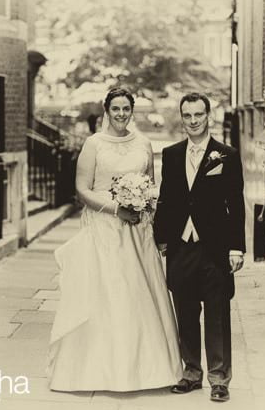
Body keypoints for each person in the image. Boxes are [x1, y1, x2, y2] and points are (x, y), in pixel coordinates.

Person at [47, 87, 182, 392]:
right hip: (105, 228)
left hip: (138, 229)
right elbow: (82, 189)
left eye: (126, 109)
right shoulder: (94, 144)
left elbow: (151, 184)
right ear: (106, 110)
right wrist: (115, 208)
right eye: (116, 108)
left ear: (131, 111)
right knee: (109, 290)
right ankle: (100, 370)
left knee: (139, 290)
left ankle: (149, 370)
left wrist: (144, 203)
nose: (121, 114)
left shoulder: (144, 143)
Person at [153, 92, 246, 402]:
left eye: (198, 115)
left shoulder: (227, 155)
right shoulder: (170, 154)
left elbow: (235, 203)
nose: (193, 121)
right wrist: (162, 239)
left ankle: (219, 378)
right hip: (181, 247)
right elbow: (166, 199)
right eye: (188, 115)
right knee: (186, 312)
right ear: (182, 118)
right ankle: (191, 373)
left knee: (217, 313)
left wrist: (236, 247)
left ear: (209, 116)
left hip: (215, 248)